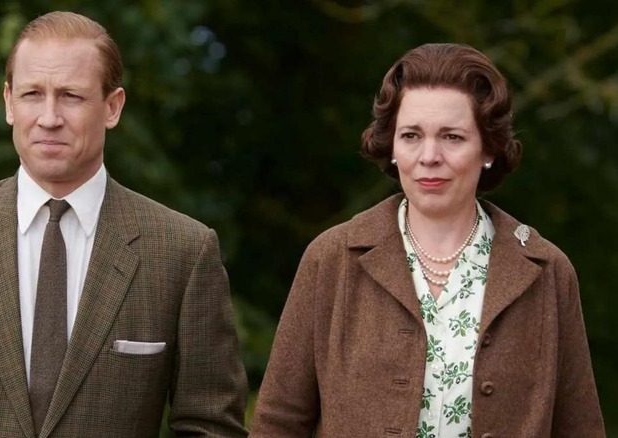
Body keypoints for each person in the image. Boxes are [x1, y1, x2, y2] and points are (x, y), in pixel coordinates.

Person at [0, 11, 248, 437]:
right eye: (32, 94)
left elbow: (212, 426)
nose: (49, 117)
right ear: (8, 102)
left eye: (71, 96)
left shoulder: (182, 252)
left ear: (112, 107)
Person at [250, 43, 605, 437]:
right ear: (393, 147)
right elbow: (278, 422)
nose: (429, 155)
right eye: (412, 135)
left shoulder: (547, 272)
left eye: (452, 137)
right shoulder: (333, 259)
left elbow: (580, 427)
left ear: (488, 148)